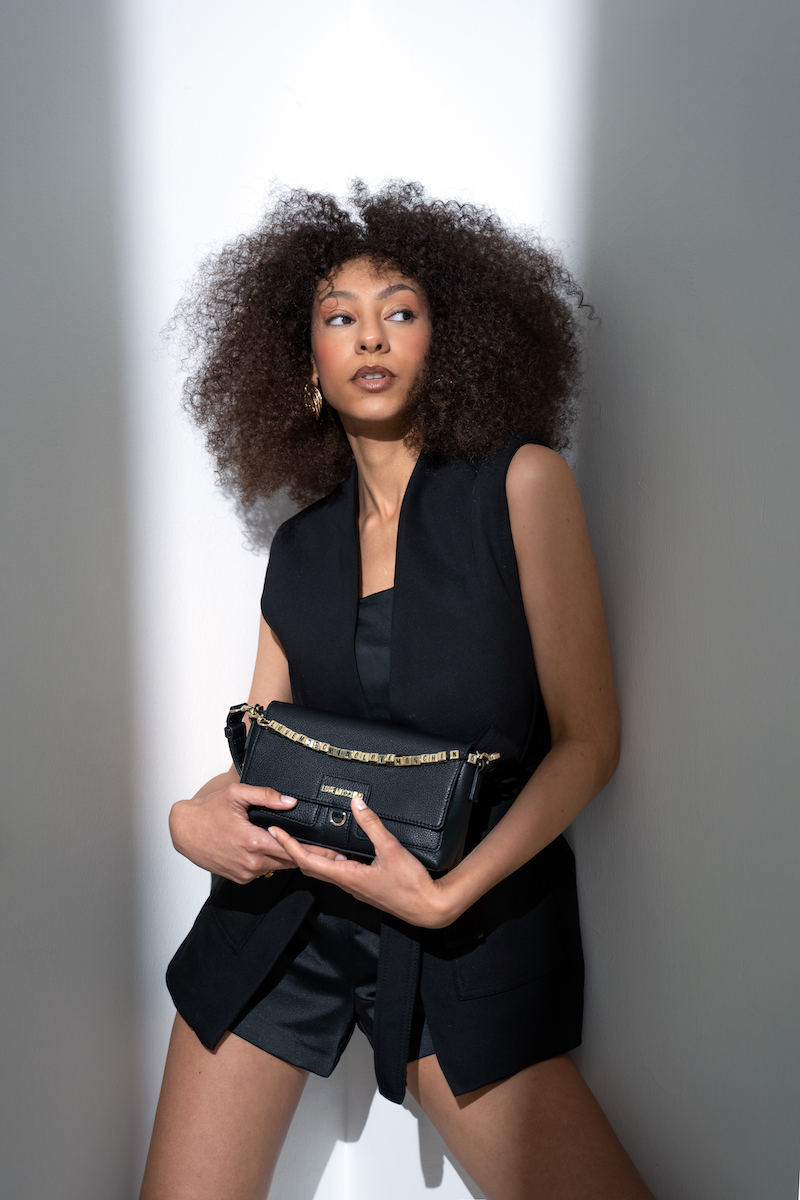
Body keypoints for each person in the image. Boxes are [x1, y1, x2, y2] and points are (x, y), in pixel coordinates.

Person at [140, 182, 655, 1200]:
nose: (370, 336)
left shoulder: (521, 487)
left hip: (458, 928)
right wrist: (187, 817)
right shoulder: (297, 548)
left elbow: (587, 740)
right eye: (340, 318)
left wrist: (442, 894)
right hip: (280, 919)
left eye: (400, 311)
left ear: (445, 342)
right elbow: (269, 751)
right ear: (306, 363)